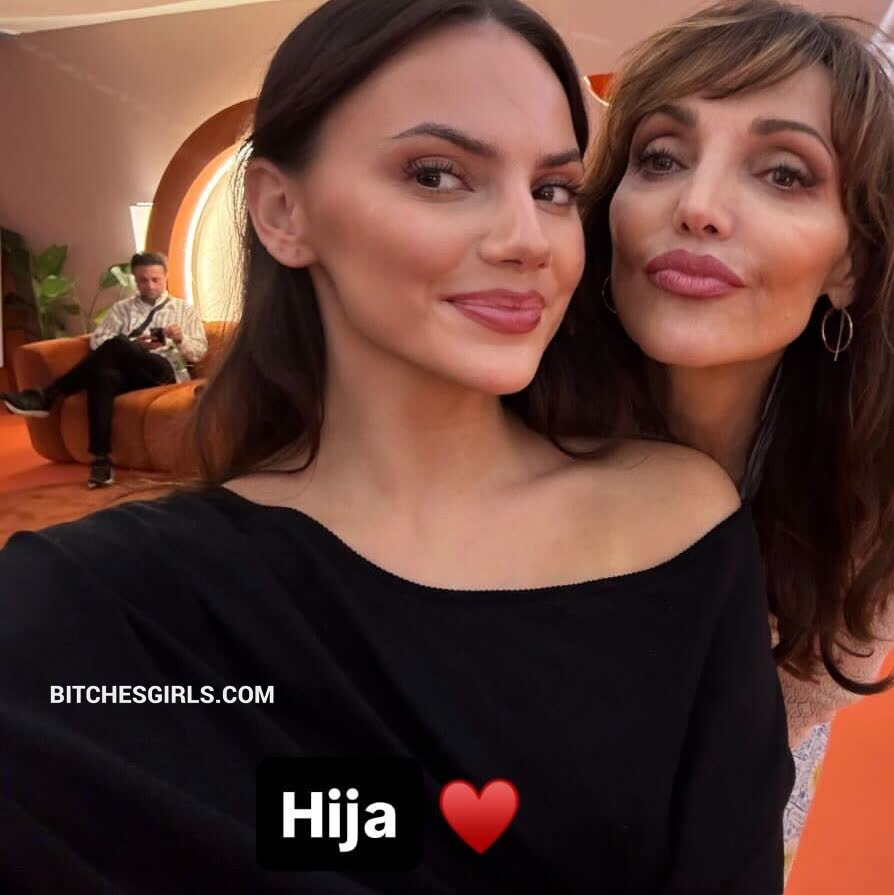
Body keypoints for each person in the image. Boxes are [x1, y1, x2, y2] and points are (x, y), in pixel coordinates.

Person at [0, 1, 793, 891]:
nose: (526, 240)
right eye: (437, 174)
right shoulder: (121, 601)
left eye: (553, 190)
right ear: (283, 211)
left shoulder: (679, 526)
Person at [562, 0, 894, 875]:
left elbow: (787, 713)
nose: (698, 206)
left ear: (850, 262)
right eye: (661, 157)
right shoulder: (514, 407)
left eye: (784, 173)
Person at [0, 251, 207, 488]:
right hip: (129, 374)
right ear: (135, 279)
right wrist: (135, 345)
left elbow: (199, 352)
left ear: (166, 277)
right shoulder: (121, 309)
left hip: (164, 370)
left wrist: (180, 339)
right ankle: (101, 461)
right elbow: (97, 342)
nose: (149, 285)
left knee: (118, 344)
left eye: (155, 279)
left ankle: (48, 395)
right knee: (104, 376)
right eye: (143, 280)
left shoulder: (184, 310)